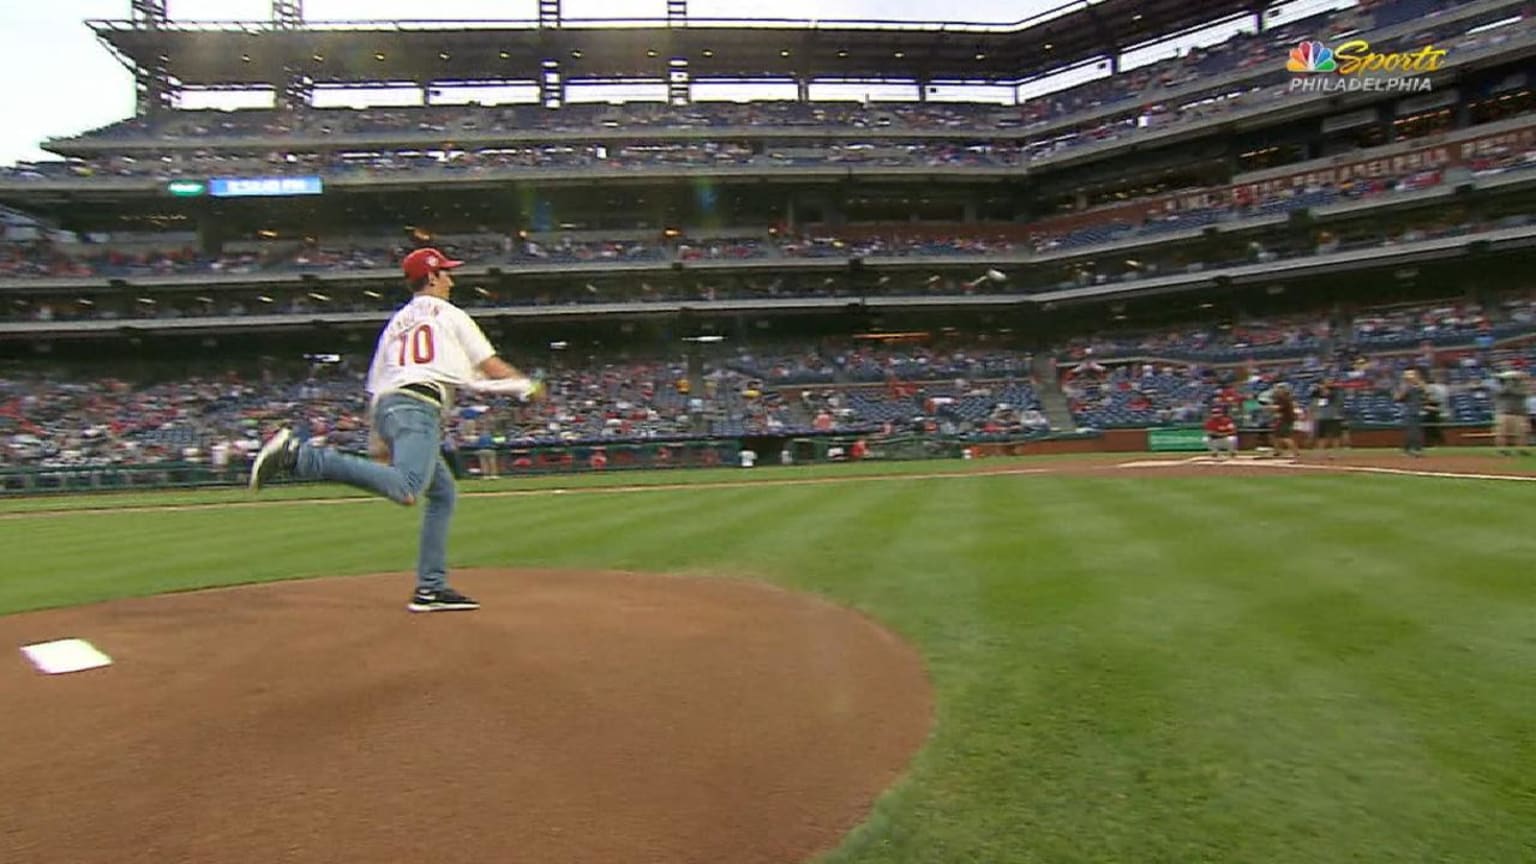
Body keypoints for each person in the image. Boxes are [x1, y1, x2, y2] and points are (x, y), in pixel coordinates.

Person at [249, 247, 545, 612]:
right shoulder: (450, 315)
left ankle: (431, 588)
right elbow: (490, 366)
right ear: (433, 277)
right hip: (417, 408)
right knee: (407, 488)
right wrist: (527, 385)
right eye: (446, 273)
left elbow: (376, 388)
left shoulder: (396, 322)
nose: (452, 279)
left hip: (393, 408)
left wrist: (379, 441)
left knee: (443, 493)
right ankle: (300, 457)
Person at [1395, 369, 1426, 457]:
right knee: (1413, 431)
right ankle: (1414, 449)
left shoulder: (1417, 385)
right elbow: (1398, 398)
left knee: (1414, 431)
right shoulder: (1407, 386)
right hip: (1411, 411)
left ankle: (1410, 449)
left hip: (1414, 411)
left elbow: (1426, 394)